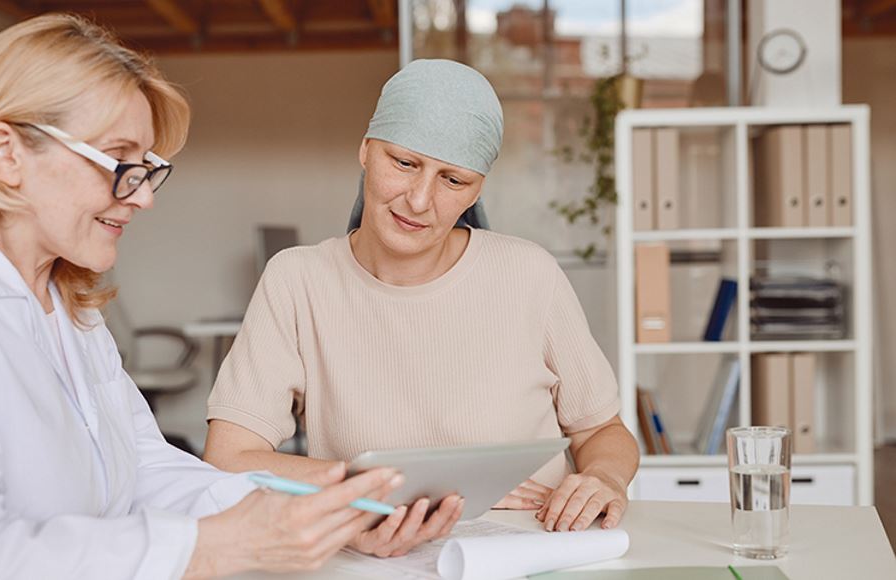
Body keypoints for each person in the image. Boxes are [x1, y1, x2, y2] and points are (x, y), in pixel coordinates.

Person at [0, 14, 404, 579]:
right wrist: (210, 549)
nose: (142, 198)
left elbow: (146, 470)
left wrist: (326, 507)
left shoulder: (70, 309)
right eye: (119, 162)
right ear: (6, 154)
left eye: (147, 170)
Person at [203, 59, 641, 556]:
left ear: (476, 189)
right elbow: (230, 457)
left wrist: (604, 477)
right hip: (373, 559)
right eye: (404, 163)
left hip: (530, 553)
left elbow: (601, 429)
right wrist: (387, 489)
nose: (418, 200)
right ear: (366, 151)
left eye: (453, 180)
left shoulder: (529, 274)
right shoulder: (297, 279)